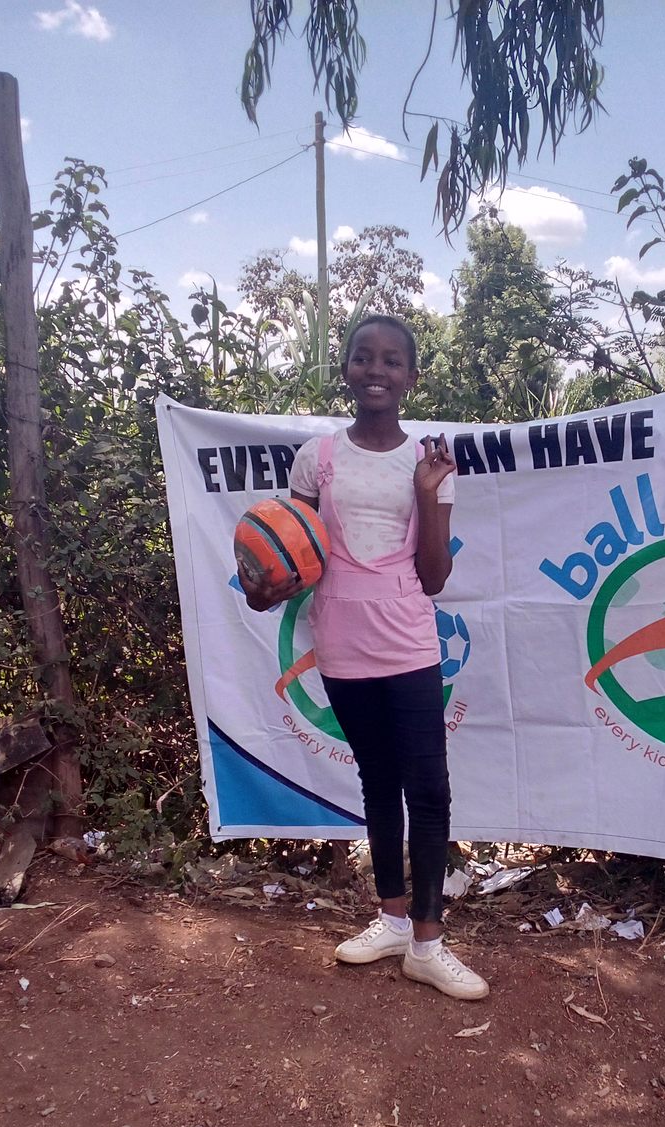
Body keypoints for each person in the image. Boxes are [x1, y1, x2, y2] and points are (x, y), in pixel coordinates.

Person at [238, 314, 489, 1001]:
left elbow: (434, 578)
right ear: (345, 367)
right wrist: (260, 589)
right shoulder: (315, 459)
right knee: (377, 781)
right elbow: (289, 557)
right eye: (363, 357)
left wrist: (429, 493)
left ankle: (428, 945)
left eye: (391, 361)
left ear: (411, 377)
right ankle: (393, 920)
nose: (376, 370)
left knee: (427, 788)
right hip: (342, 642)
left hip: (408, 639)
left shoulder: (428, 462)